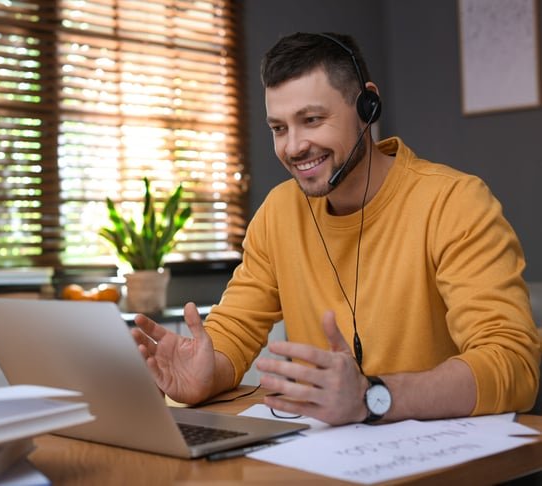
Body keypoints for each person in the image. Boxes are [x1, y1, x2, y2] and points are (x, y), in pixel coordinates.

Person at [131, 31, 541, 425]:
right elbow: (235, 329)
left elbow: (513, 364)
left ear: (368, 106)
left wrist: (372, 397)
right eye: (279, 128)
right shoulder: (278, 213)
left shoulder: (454, 202)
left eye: (311, 119)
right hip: (327, 460)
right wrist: (209, 370)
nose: (293, 146)